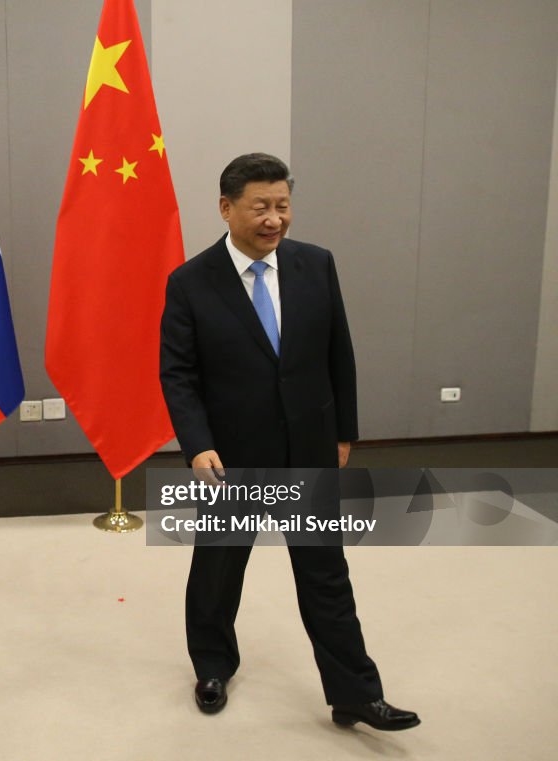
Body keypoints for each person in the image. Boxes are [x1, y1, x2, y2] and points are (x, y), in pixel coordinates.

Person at [159, 154, 419, 731]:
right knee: (220, 567)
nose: (274, 219)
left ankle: (354, 691)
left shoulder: (316, 265)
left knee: (326, 571)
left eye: (282, 206)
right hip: (231, 456)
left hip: (309, 445)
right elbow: (177, 374)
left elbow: (338, 352)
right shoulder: (190, 282)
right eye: (261, 207)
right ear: (226, 208)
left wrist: (343, 429)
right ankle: (212, 664)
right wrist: (197, 443)